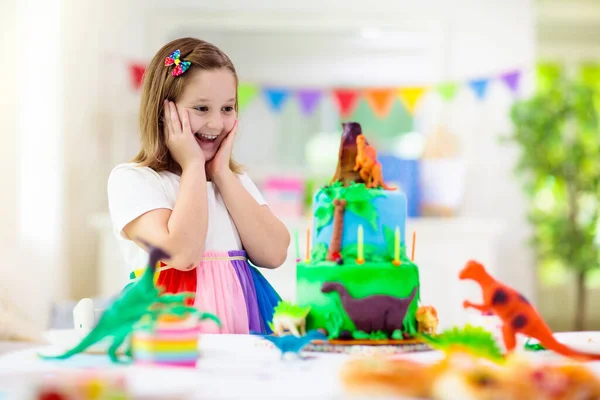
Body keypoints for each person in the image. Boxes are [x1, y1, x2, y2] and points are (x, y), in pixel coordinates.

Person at [107, 37, 290, 334]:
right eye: (202, 108)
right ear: (164, 112)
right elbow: (182, 254)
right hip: (168, 332)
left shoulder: (233, 181)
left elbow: (274, 253)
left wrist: (220, 173)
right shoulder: (134, 179)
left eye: (227, 108)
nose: (216, 124)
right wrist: (193, 166)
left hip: (241, 326)